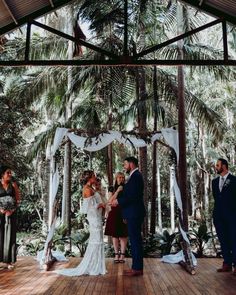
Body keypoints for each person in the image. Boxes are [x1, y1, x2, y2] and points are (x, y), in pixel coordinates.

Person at [56, 170, 106, 276]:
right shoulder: (87, 189)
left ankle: (97, 265)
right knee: (96, 240)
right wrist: (101, 205)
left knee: (98, 240)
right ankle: (93, 267)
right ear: (89, 178)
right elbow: (88, 208)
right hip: (94, 218)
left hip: (97, 217)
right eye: (93, 176)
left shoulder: (91, 188)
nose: (95, 178)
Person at [111, 156, 146, 276]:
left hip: (135, 213)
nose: (124, 166)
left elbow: (132, 196)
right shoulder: (134, 176)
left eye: (125, 164)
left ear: (131, 164)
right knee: (135, 240)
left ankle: (137, 268)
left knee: (135, 241)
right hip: (132, 213)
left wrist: (118, 202)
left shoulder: (136, 176)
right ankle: (136, 267)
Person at [212, 158, 236, 274]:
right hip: (218, 217)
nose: (216, 167)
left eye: (218, 165)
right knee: (223, 240)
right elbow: (217, 198)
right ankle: (227, 263)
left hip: (232, 217)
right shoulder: (214, 182)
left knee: (234, 239)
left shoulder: (234, 180)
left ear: (224, 166)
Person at [105, 172, 128, 263]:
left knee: (123, 235)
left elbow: (127, 202)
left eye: (123, 177)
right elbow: (109, 201)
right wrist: (118, 191)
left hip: (123, 212)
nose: (121, 179)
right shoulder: (111, 188)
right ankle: (116, 254)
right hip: (114, 213)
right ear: (116, 178)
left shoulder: (126, 188)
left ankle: (122, 255)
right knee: (115, 235)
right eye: (119, 177)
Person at [0, 165, 20, 269]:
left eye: (10, 173)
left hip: (11, 214)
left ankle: (9, 262)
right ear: (2, 174)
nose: (10, 174)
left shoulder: (13, 184)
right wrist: (1, 209)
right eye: (8, 173)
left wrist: (12, 210)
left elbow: (17, 200)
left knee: (10, 236)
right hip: (0, 213)